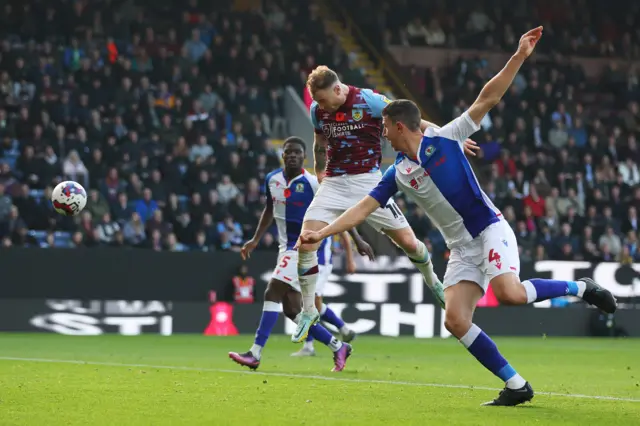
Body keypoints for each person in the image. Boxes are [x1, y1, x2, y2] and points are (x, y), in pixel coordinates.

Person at [296, 27, 617, 406]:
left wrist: (518, 56)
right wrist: (323, 233)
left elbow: (489, 97)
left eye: (385, 128)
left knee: (510, 293)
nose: (381, 134)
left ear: (400, 126)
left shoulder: (446, 139)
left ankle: (581, 287)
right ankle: (516, 385)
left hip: (488, 230)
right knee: (455, 321)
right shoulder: (395, 173)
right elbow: (361, 209)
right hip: (461, 249)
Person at [293, 65, 479, 342]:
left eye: (321, 99)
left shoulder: (369, 101)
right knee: (306, 242)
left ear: (337, 89)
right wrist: (319, 168)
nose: (320, 106)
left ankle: (434, 282)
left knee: (409, 243)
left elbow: (413, 121)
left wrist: (449, 138)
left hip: (368, 181)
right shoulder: (318, 111)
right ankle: (309, 311)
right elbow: (320, 140)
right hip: (333, 182)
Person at [229, 137, 373, 372]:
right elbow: (269, 208)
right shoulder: (272, 180)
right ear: (282, 155)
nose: (293, 155)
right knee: (293, 310)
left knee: (272, 291)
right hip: (284, 248)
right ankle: (338, 346)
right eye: (289, 152)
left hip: (304, 247)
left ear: (304, 157)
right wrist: (255, 239)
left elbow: (338, 211)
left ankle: (255, 353)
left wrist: (357, 240)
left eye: (297, 152)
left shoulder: (313, 183)